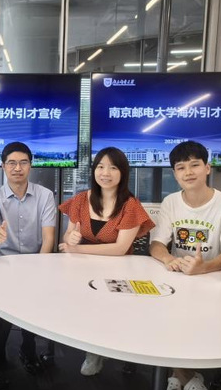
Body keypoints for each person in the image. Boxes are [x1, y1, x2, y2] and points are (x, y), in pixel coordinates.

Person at [149, 141, 221, 390]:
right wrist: (168, 259)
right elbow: (157, 244)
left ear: (207, 168)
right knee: (163, 320)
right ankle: (186, 376)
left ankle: (181, 374)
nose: (188, 172)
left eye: (194, 165)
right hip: (177, 280)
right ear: (174, 174)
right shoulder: (170, 201)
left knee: (199, 326)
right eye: (181, 167)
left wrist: (204, 267)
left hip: (214, 280)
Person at [59, 146, 154, 377]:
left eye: (113, 168)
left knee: (114, 314)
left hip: (118, 270)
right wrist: (70, 238)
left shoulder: (130, 205)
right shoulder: (81, 200)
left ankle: (119, 350)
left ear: (123, 172)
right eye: (100, 167)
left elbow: (120, 249)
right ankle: (94, 349)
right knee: (87, 311)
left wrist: (77, 248)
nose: (105, 173)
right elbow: (68, 235)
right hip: (83, 268)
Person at [0, 142, 57, 377]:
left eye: (23, 163)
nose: (17, 168)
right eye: (12, 163)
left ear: (30, 166)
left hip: (34, 262)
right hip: (1, 262)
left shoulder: (45, 195)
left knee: (32, 306)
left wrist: (41, 268)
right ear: (3, 166)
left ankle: (28, 348)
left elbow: (48, 238)